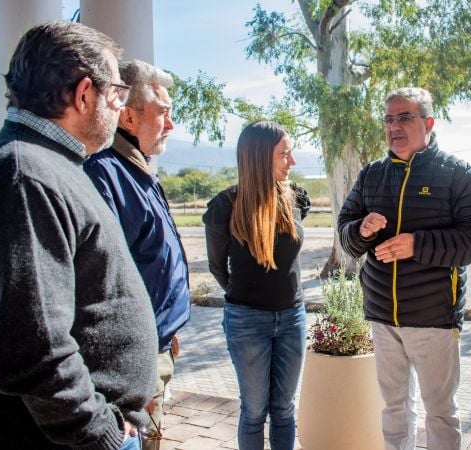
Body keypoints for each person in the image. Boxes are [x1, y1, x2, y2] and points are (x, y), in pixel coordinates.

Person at [0, 21, 157, 450]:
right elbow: (33, 348)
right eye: (116, 93)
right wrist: (102, 433)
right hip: (60, 440)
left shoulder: (48, 165)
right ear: (84, 94)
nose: (119, 106)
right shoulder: (21, 177)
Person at [337, 87, 471, 450]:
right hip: (382, 316)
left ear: (429, 123)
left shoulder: (457, 174)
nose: (395, 126)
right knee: (393, 409)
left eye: (405, 117)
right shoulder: (371, 175)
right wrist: (360, 230)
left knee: (440, 413)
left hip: (433, 318)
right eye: (389, 119)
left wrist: (416, 245)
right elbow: (345, 232)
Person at [83, 59, 191, 450]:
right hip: (134, 362)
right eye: (163, 113)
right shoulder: (105, 174)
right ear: (128, 117)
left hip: (157, 347)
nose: (171, 125)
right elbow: (102, 285)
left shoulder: (137, 169)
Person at [202, 121, 310, 450]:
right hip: (246, 321)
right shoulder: (225, 206)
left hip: (292, 318)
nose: (292, 161)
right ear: (260, 157)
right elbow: (217, 267)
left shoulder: (295, 197)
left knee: (284, 409)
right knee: (253, 411)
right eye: (284, 154)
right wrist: (244, 295)